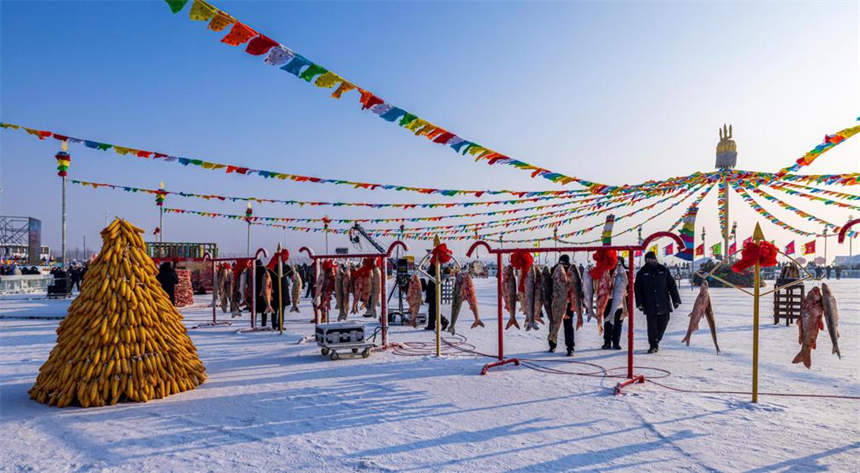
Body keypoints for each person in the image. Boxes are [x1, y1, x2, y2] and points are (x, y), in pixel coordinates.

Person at [634, 251, 681, 353]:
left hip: (663, 301)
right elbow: (637, 289)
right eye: (647, 259)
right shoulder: (642, 273)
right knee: (652, 325)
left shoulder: (663, 270)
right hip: (649, 303)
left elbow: (672, 286)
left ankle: (656, 340)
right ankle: (653, 345)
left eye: (651, 259)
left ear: (655, 259)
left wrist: (676, 300)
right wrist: (640, 303)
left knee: (664, 321)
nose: (650, 261)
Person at [548, 255, 580, 356]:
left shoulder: (572, 270)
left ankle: (570, 347)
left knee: (568, 325)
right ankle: (552, 344)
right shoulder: (555, 269)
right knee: (554, 323)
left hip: (569, 302)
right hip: (557, 301)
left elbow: (578, 285)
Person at [602, 261, 627, 351]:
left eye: (618, 264)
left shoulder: (623, 272)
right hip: (608, 300)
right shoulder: (607, 271)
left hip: (620, 301)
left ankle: (616, 342)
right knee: (608, 322)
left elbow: (627, 284)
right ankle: (607, 342)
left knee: (618, 323)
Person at [424, 264, 449, 332]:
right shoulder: (436, 270)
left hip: (434, 291)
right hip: (433, 290)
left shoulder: (436, 270)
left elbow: (434, 280)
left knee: (434, 310)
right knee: (431, 309)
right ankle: (431, 325)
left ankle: (444, 321)